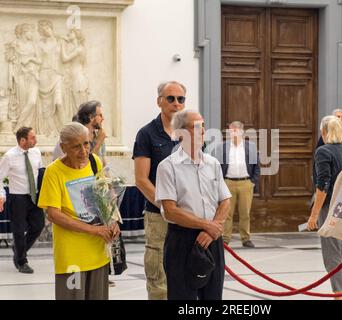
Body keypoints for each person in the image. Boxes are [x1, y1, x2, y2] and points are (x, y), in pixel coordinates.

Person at [37, 122, 120, 300]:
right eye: (76, 146)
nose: (83, 151)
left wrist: (113, 221)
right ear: (63, 147)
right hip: (72, 255)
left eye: (87, 143)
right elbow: (53, 214)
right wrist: (94, 230)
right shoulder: (53, 172)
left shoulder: (94, 161)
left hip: (98, 250)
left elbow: (105, 196)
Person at [155, 110, 231, 300]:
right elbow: (171, 211)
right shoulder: (167, 166)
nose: (203, 130)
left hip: (211, 238)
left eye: (203, 125)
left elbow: (225, 200)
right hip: (183, 240)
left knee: (213, 297)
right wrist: (206, 225)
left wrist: (210, 229)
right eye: (197, 126)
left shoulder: (213, 163)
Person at [132, 81, 186, 300]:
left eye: (180, 99)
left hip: (188, 215)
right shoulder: (147, 134)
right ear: (159, 101)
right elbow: (141, 180)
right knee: (158, 276)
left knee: (185, 271)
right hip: (159, 215)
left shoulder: (190, 132)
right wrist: (166, 206)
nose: (176, 103)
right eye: (170, 98)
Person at [307, 116, 342, 300]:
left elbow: (323, 185)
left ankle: (339, 296)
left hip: (331, 208)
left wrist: (314, 215)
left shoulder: (323, 151)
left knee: (332, 254)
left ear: (324, 132)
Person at [0, 127, 45, 274]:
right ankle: (21, 261)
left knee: (38, 225)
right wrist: (2, 195)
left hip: (34, 196)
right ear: (22, 140)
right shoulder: (9, 156)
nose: (35, 140)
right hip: (17, 198)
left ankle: (19, 248)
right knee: (18, 231)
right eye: (32, 137)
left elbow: (41, 173)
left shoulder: (36, 152)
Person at [210, 121, 260, 247]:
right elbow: (217, 166)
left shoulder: (251, 147)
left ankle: (246, 238)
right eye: (232, 130)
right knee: (226, 213)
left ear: (242, 132)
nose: (234, 133)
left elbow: (257, 166)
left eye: (237, 130)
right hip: (227, 183)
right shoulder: (222, 147)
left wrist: (252, 182)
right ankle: (225, 238)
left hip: (245, 183)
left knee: (245, 213)